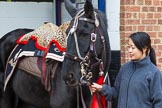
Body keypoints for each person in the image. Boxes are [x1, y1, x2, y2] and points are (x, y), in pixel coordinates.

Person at [89, 32, 162, 108]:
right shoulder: (125, 68)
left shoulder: (154, 73)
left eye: (133, 48)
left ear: (144, 48)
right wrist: (101, 88)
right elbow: (116, 93)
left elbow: (159, 102)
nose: (130, 50)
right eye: (129, 47)